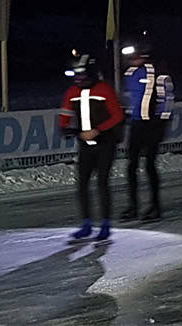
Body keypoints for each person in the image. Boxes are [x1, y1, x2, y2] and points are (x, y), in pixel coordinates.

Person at [59, 53, 125, 242]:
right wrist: (65, 128)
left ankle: (105, 223)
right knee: (82, 183)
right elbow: (65, 113)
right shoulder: (72, 92)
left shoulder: (104, 89)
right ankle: (86, 223)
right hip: (85, 144)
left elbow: (118, 115)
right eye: (76, 76)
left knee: (102, 182)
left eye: (83, 75)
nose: (79, 79)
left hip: (105, 142)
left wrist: (98, 130)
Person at [120, 39, 173, 222]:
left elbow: (166, 98)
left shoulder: (158, 72)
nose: (131, 60)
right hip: (136, 124)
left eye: (134, 56)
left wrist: (160, 120)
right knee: (131, 166)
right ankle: (133, 207)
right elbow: (129, 98)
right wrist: (125, 115)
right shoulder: (130, 73)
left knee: (149, 165)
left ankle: (155, 207)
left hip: (153, 125)